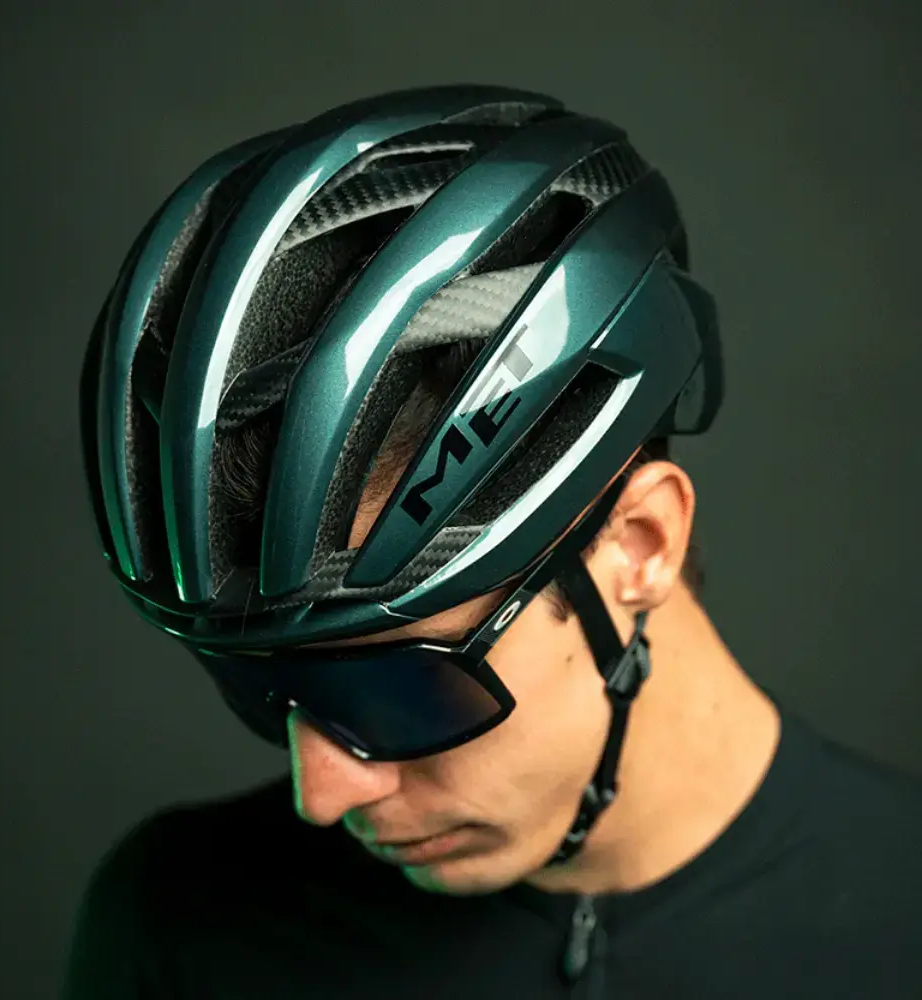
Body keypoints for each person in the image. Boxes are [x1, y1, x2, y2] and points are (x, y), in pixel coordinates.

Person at [65, 84, 922, 999]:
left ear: (641, 545)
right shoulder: (181, 927)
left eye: (399, 693)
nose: (325, 795)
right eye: (258, 691)